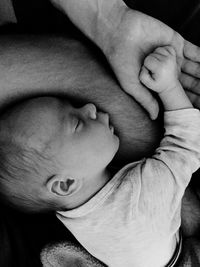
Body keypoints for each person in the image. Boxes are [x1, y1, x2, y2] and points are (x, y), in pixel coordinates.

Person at [0, 44, 199, 267]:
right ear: (65, 184)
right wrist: (169, 86)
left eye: (75, 106)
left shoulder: (67, 207)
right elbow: (187, 143)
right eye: (77, 123)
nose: (89, 108)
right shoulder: (140, 197)